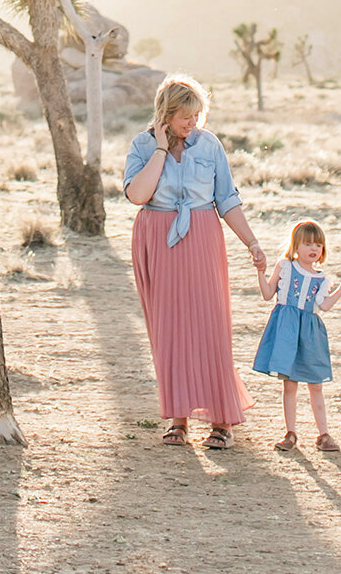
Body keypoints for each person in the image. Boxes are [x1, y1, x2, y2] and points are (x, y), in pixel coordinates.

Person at [125, 74, 265, 449]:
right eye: (185, 116)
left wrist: (251, 242)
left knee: (210, 326)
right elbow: (138, 195)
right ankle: (178, 420)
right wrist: (159, 150)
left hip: (201, 236)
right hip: (157, 238)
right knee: (168, 331)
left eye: (197, 115)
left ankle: (222, 421)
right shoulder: (141, 145)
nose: (193, 123)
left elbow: (228, 200)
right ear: (166, 114)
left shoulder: (210, 146)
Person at [253, 219, 341, 452]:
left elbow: (324, 306)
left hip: (310, 333)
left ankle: (324, 434)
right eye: (308, 244)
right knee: (290, 384)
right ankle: (290, 433)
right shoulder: (285, 267)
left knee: (315, 384)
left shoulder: (322, 278)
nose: (314, 249)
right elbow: (268, 294)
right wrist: (261, 273)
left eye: (318, 244)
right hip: (286, 331)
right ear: (296, 246)